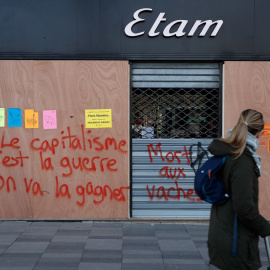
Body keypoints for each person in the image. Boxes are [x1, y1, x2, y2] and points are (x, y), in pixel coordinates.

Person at [207, 109, 270, 270]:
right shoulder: (242, 160)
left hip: (222, 231)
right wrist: (265, 227)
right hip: (236, 241)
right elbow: (244, 208)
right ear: (260, 133)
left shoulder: (227, 152)